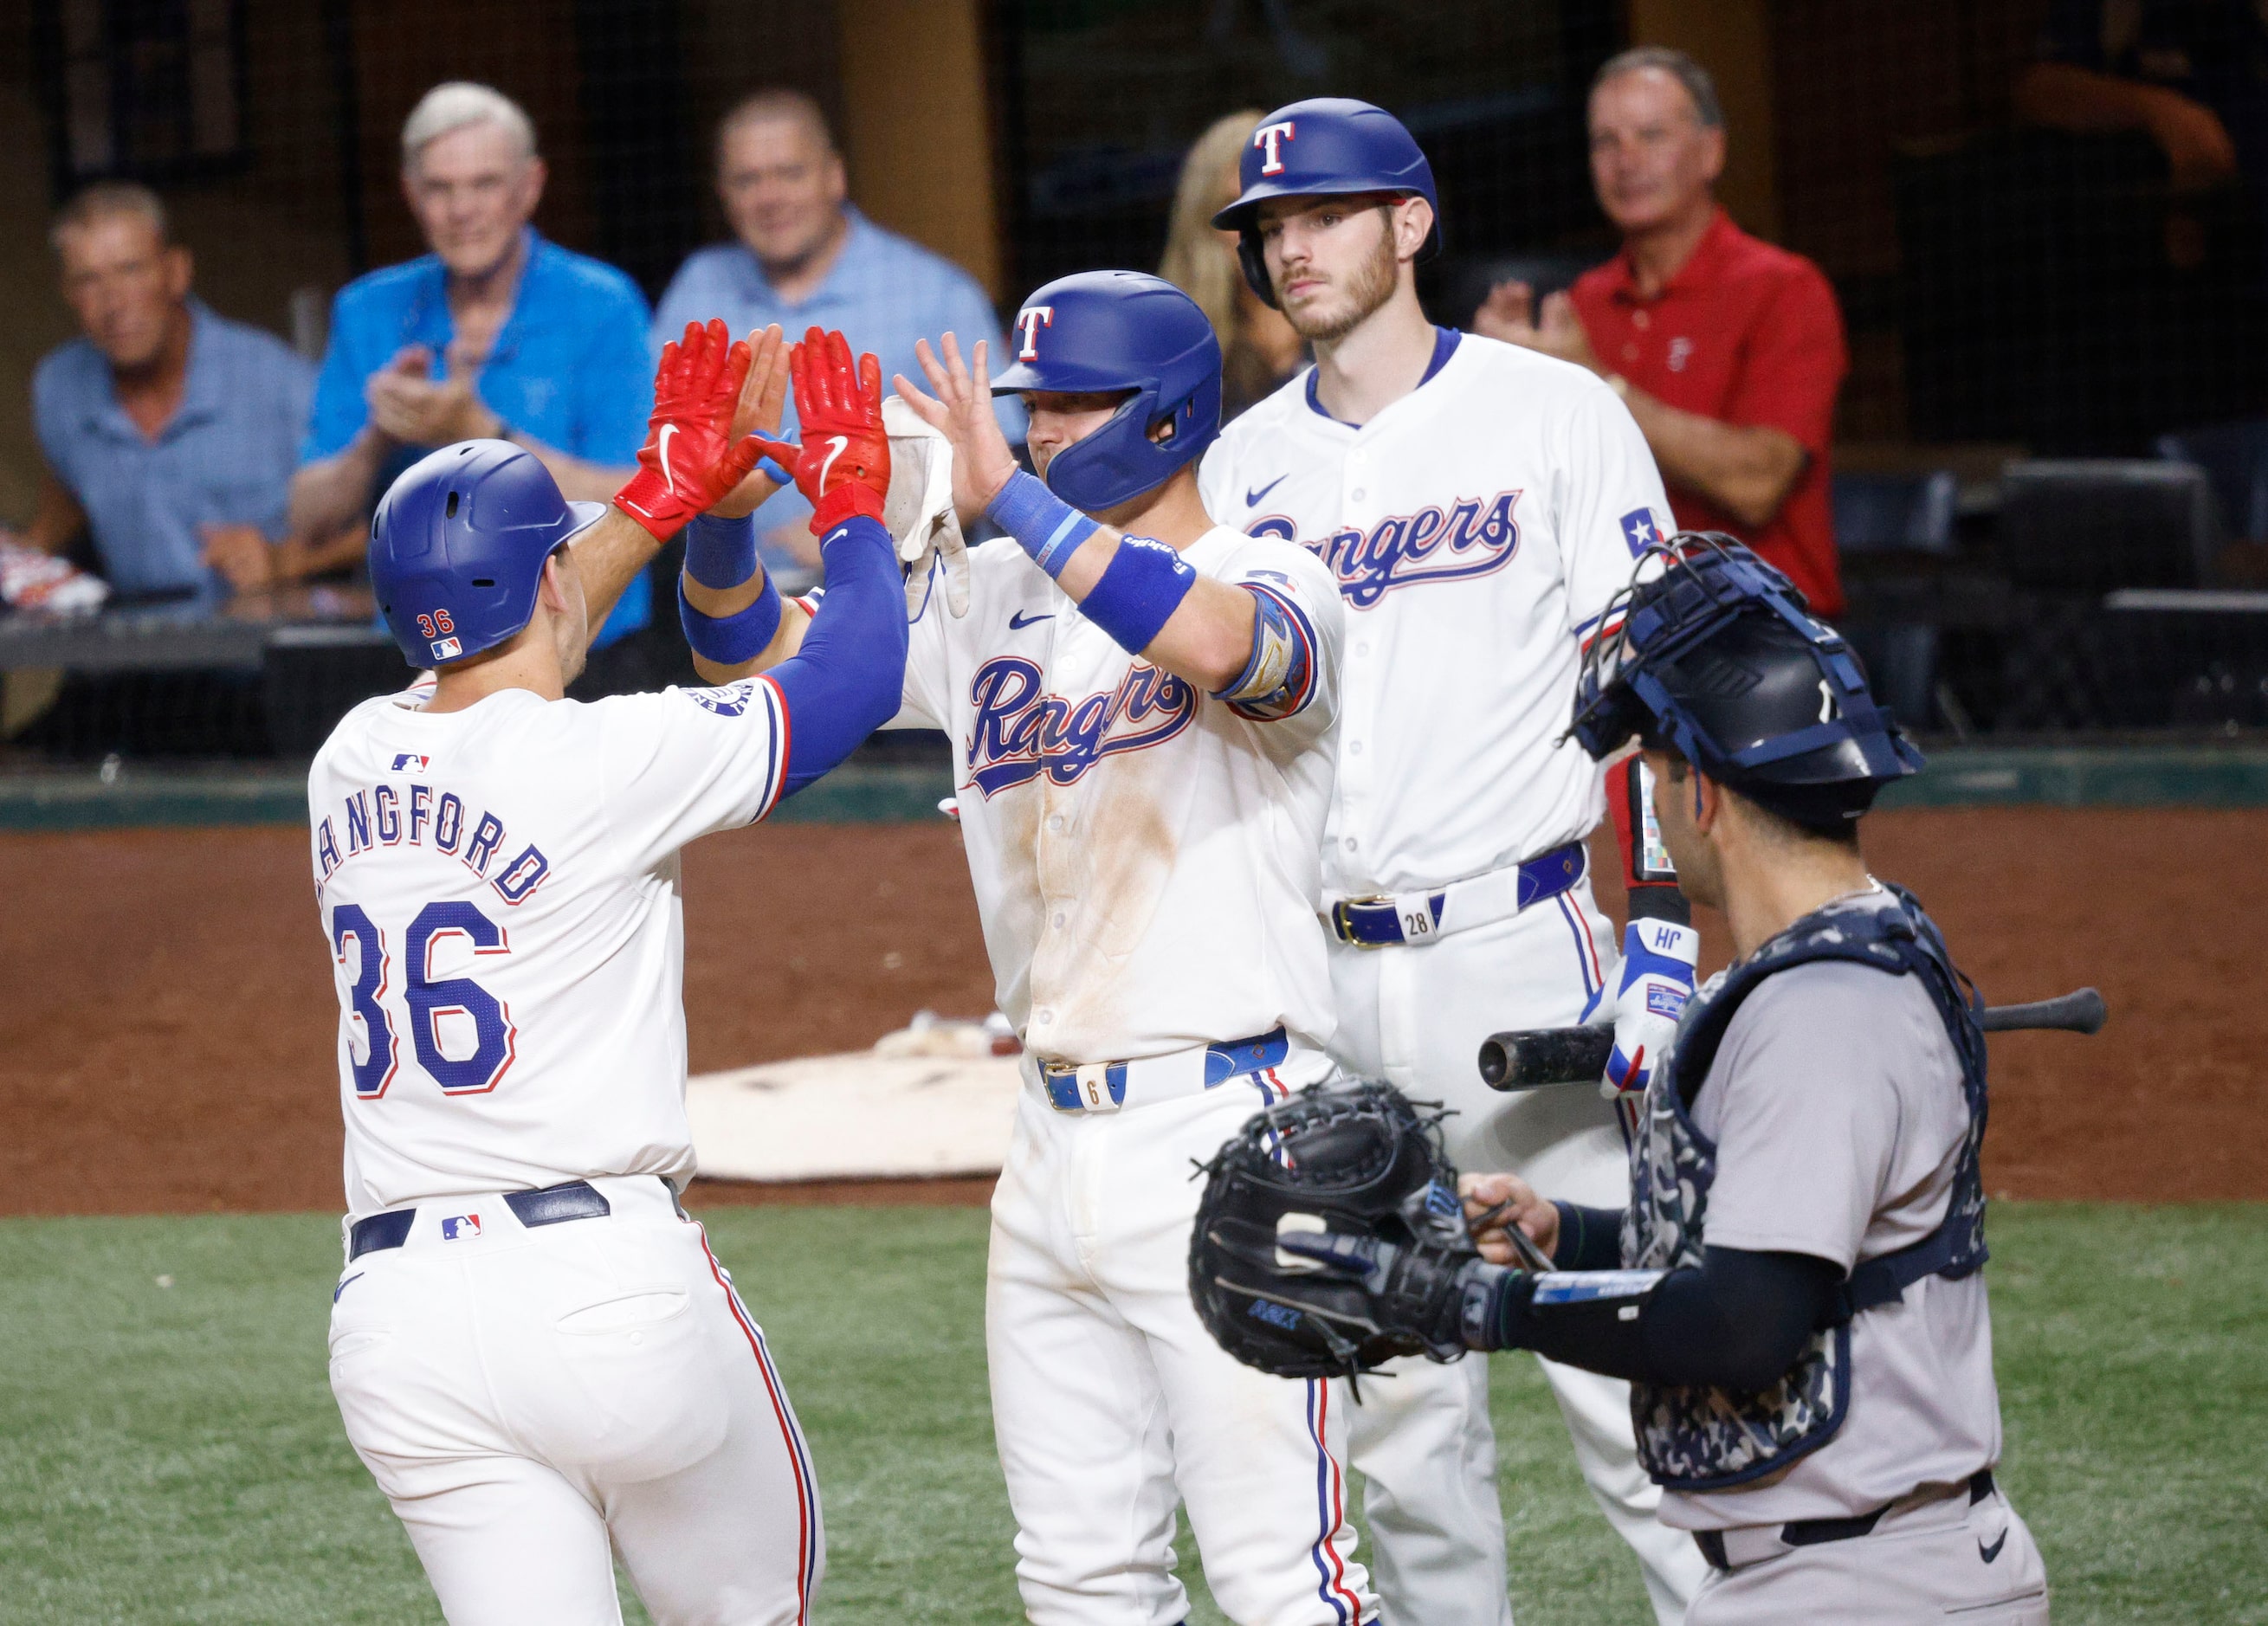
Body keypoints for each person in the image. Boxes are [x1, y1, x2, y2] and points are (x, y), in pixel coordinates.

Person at [703, 274, 1373, 1626]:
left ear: (1169, 415)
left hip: (1227, 1129)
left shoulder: (1274, 569)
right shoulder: (986, 593)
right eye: (1030, 407)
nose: (1042, 428)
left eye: (1073, 403)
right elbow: (756, 662)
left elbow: (1223, 646)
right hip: (1046, 1139)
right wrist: (725, 527)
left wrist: (1008, 493)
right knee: (1077, 1583)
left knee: (1281, 1585)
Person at [1256, 539, 2052, 1625]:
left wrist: (1482, 1305)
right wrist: (1567, 1234)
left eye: (1651, 769)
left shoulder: (1820, 1015)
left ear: (1702, 793)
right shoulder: (1837, 960)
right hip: (1850, 1573)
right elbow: (1781, 1245)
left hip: (1866, 1588)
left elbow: (1745, 1324)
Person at [312, 317, 908, 1624]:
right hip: (603, 1299)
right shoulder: (602, 760)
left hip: (398, 1325)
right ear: (548, 584)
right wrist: (852, 509)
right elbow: (854, 676)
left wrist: (667, 492)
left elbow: (521, 607)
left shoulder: (348, 754)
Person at [1199, 97, 1708, 1626]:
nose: (1289, 245)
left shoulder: (1554, 415)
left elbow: (1654, 682)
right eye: (1267, 228)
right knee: (1397, 1408)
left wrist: (1662, 937)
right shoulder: (1233, 471)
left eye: (1324, 214)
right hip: (1322, 981)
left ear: (1407, 223)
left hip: (1519, 949)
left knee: (1624, 1375)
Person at [291, 81, 659, 667]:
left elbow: (642, 502)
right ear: (411, 194)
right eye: (440, 188)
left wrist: (483, 434)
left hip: (589, 651)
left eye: (485, 184)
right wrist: (379, 438)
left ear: (529, 186)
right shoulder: (367, 311)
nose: (461, 210)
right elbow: (306, 521)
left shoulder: (602, 305)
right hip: (422, 662)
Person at [1473, 49, 1850, 616]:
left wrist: (1594, 382)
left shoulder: (1784, 288)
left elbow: (1757, 484)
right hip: (1609, 634)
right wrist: (1498, 381)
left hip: (1763, 634)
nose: (1627, 161)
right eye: (1605, 141)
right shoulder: (1577, 307)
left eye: (1651, 135)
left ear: (1711, 150)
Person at [652, 88, 1020, 567]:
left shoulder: (936, 295)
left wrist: (864, 535)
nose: (769, 198)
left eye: (790, 173)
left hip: (908, 596)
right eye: (747, 180)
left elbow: (1000, 469)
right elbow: (653, 452)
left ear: (834, 176)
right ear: (723, 193)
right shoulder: (697, 290)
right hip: (731, 605)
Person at [26, 182, 333, 601]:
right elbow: (68, 496)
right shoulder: (60, 388)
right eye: (88, 280)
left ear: (176, 272)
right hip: (134, 649)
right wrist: (23, 558)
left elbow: (378, 522)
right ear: (68, 294)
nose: (113, 302)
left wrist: (286, 560)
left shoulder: (276, 380)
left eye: (131, 270)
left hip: (265, 647)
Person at [1159, 110, 1308, 420]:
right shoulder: (1173, 358)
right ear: (1205, 224)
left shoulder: (1347, 329)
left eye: (1270, 204)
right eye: (1236, 207)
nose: (1258, 226)